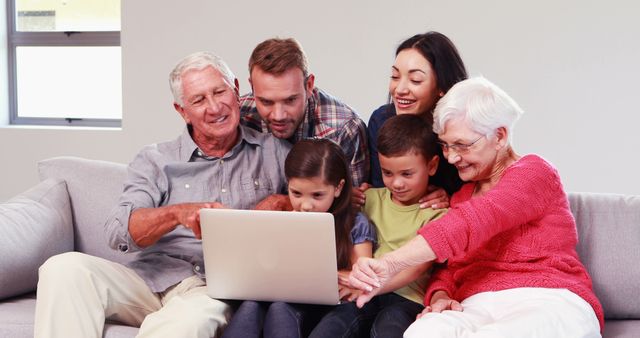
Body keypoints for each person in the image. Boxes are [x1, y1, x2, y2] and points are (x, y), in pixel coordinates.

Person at [33, 51, 291, 338]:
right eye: (198, 100)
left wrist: (284, 201)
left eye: (220, 92)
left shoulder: (274, 153)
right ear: (182, 111)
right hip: (148, 279)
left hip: (211, 289)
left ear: (236, 90)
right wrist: (176, 213)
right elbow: (120, 233)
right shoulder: (156, 159)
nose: (215, 106)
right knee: (63, 268)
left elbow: (322, 205)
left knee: (187, 322)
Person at [349, 77, 604, 338]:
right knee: (422, 332)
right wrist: (440, 295)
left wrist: (390, 263)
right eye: (446, 145)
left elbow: (475, 221)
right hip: (474, 304)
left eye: (462, 145)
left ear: (500, 136)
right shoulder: (461, 197)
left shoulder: (534, 172)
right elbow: (448, 269)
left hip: (546, 298)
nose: (452, 156)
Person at [310, 114, 450, 338]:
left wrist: (367, 287)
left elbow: (416, 267)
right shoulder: (369, 199)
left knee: (386, 329)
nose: (396, 183)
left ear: (431, 166)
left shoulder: (438, 215)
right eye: (387, 173)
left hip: (405, 298)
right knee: (331, 327)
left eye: (407, 174)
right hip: (363, 291)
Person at [221, 139, 376, 338]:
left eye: (317, 195)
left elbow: (360, 276)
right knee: (256, 306)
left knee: (279, 307)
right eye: (296, 193)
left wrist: (333, 276)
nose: (306, 205)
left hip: (335, 304)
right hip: (290, 300)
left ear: (338, 188)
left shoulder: (356, 223)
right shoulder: (284, 221)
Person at [355, 31, 468, 210]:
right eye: (395, 76)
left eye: (415, 80)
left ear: (441, 86)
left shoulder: (463, 130)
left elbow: (478, 190)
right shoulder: (381, 120)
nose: (399, 89)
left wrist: (451, 198)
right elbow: (381, 188)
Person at [239, 37, 370, 187]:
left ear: (309, 85)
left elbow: (352, 203)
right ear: (252, 86)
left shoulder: (345, 129)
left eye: (290, 100)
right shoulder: (239, 115)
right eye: (266, 102)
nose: (278, 115)